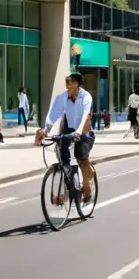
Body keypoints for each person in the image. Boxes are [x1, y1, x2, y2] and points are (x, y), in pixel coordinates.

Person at [36, 73, 95, 203]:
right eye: (67, 82)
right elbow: (53, 115)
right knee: (63, 159)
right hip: (69, 129)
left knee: (81, 158)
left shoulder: (86, 97)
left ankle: (87, 183)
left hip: (84, 130)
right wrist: (45, 130)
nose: (68, 85)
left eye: (71, 82)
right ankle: (69, 188)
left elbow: (85, 115)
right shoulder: (62, 97)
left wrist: (78, 132)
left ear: (79, 85)